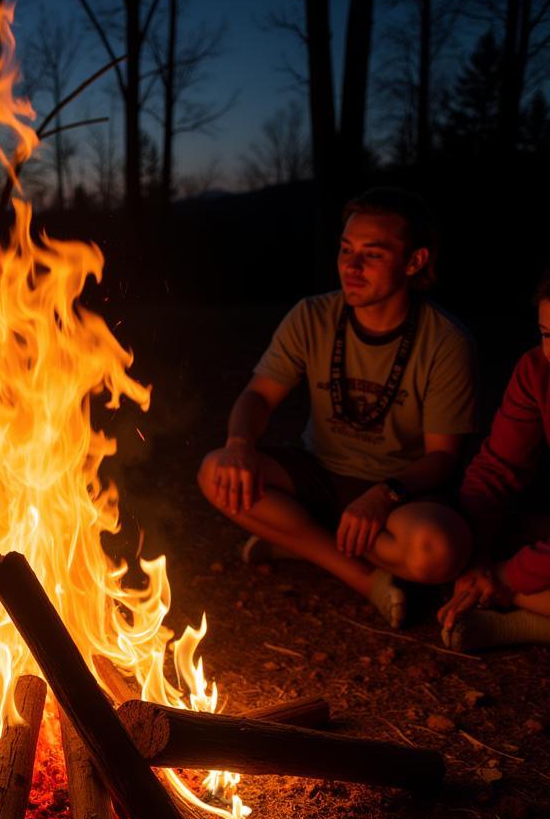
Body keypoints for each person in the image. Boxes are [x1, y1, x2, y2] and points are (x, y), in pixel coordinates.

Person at [198, 187, 475, 628]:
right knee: (219, 472)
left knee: (439, 551)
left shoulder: (445, 340)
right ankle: (364, 579)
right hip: (320, 471)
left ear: (415, 261)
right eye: (346, 249)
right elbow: (258, 396)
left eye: (373, 254)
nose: (351, 265)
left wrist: (384, 496)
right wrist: (239, 444)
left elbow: (443, 456)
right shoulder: (312, 316)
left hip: (399, 491)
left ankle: (299, 537)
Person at [439, 270, 550, 651]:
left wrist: (504, 577)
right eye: (548, 334)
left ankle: (520, 614)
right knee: (446, 542)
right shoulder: (538, 370)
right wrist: (476, 554)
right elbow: (497, 467)